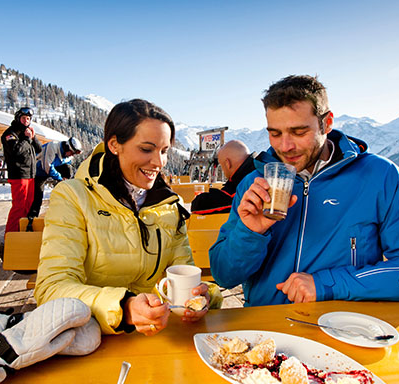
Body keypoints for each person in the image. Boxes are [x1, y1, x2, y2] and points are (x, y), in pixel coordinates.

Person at [209, 75, 399, 306]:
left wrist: (328, 284)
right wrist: (250, 232)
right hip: (267, 330)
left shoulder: (380, 177)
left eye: (299, 132)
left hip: (346, 327)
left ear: (327, 123)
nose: (285, 146)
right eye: (275, 133)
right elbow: (224, 276)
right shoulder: (255, 182)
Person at [34, 99, 222, 336]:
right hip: (90, 337)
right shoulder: (74, 196)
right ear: (114, 144)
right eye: (146, 149)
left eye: (164, 151)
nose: (158, 162)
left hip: (153, 334)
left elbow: (183, 273)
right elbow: (51, 288)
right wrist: (123, 308)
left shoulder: (169, 206)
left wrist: (203, 297)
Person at [1, 107, 42, 232]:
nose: (26, 121)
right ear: (18, 118)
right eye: (24, 118)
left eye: (28, 119)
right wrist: (26, 139)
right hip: (19, 174)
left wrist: (33, 138)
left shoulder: (27, 132)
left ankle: (21, 233)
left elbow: (39, 149)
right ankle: (10, 235)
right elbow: (16, 151)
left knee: (27, 206)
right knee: (19, 207)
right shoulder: (10, 134)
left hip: (30, 174)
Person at [190, 140, 257, 215]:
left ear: (228, 164)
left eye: (221, 165)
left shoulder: (248, 180)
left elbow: (201, 205)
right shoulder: (257, 170)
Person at [27, 137, 83, 217]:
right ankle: (31, 217)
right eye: (71, 153)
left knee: (67, 168)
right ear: (67, 148)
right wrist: (60, 178)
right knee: (38, 195)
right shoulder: (53, 146)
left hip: (52, 168)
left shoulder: (69, 155)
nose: (72, 155)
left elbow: (68, 165)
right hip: (39, 171)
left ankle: (64, 197)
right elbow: (48, 167)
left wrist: (66, 180)